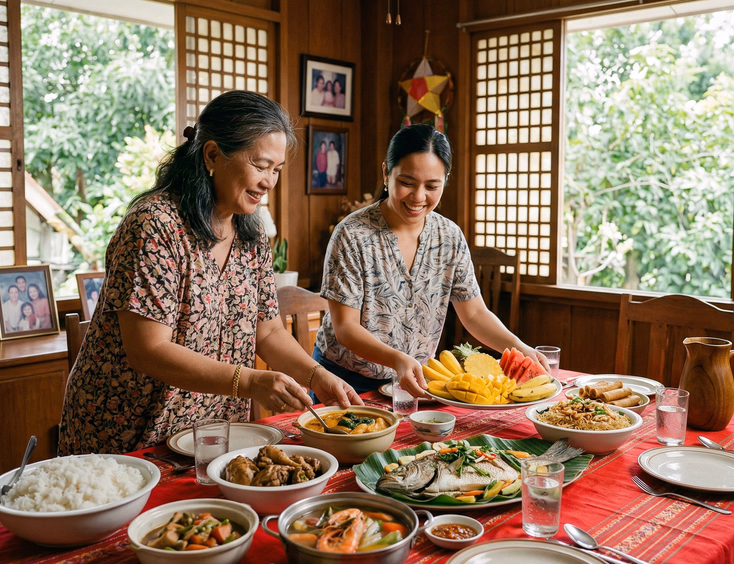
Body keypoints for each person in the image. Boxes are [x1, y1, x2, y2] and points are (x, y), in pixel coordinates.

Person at [58, 91, 362, 456]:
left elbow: (267, 330)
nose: (270, 181)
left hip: (211, 436)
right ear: (213, 155)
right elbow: (148, 350)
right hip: (129, 434)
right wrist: (249, 381)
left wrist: (317, 375)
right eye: (261, 165)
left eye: (277, 170)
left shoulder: (251, 236)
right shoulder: (155, 225)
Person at [312, 124, 549, 399]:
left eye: (432, 186)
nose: (418, 197)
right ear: (386, 173)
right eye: (407, 183)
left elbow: (474, 314)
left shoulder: (449, 236)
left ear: (445, 181)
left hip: (416, 382)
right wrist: (398, 359)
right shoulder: (352, 235)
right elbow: (346, 328)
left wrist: (521, 348)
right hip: (345, 382)